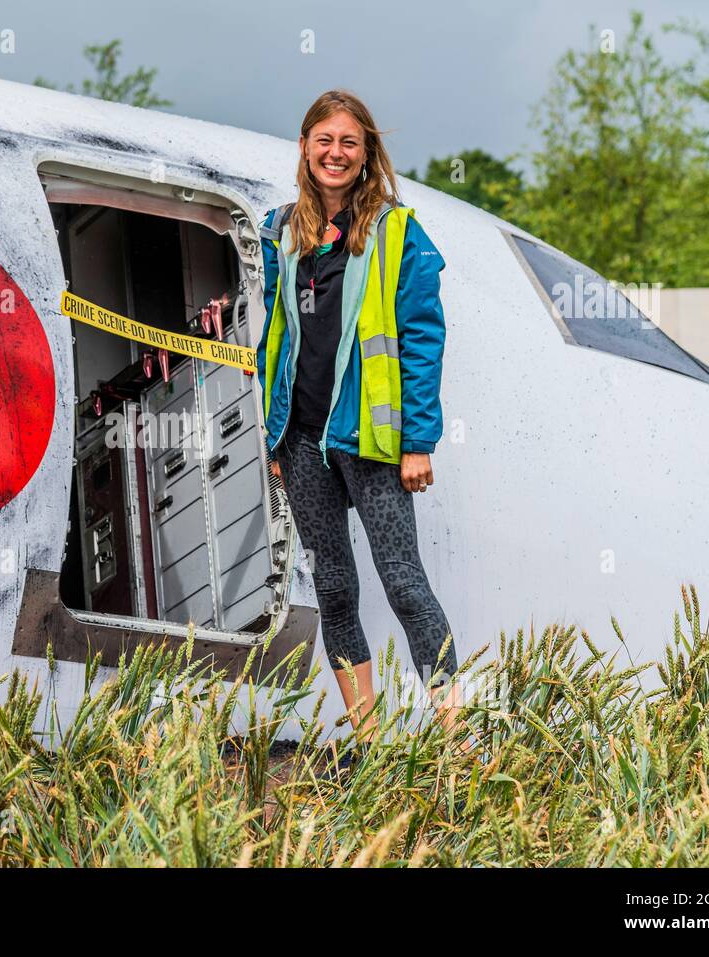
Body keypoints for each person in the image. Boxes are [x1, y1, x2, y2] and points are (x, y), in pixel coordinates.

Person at [255, 89, 463, 750]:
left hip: (372, 440)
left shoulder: (399, 231)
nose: (336, 154)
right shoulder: (279, 230)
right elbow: (276, 334)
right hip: (303, 438)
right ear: (305, 147)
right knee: (337, 594)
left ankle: (459, 748)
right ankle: (370, 747)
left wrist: (418, 441)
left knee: (406, 586)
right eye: (325, 141)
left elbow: (424, 340)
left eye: (349, 142)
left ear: (367, 151)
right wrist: (274, 432)